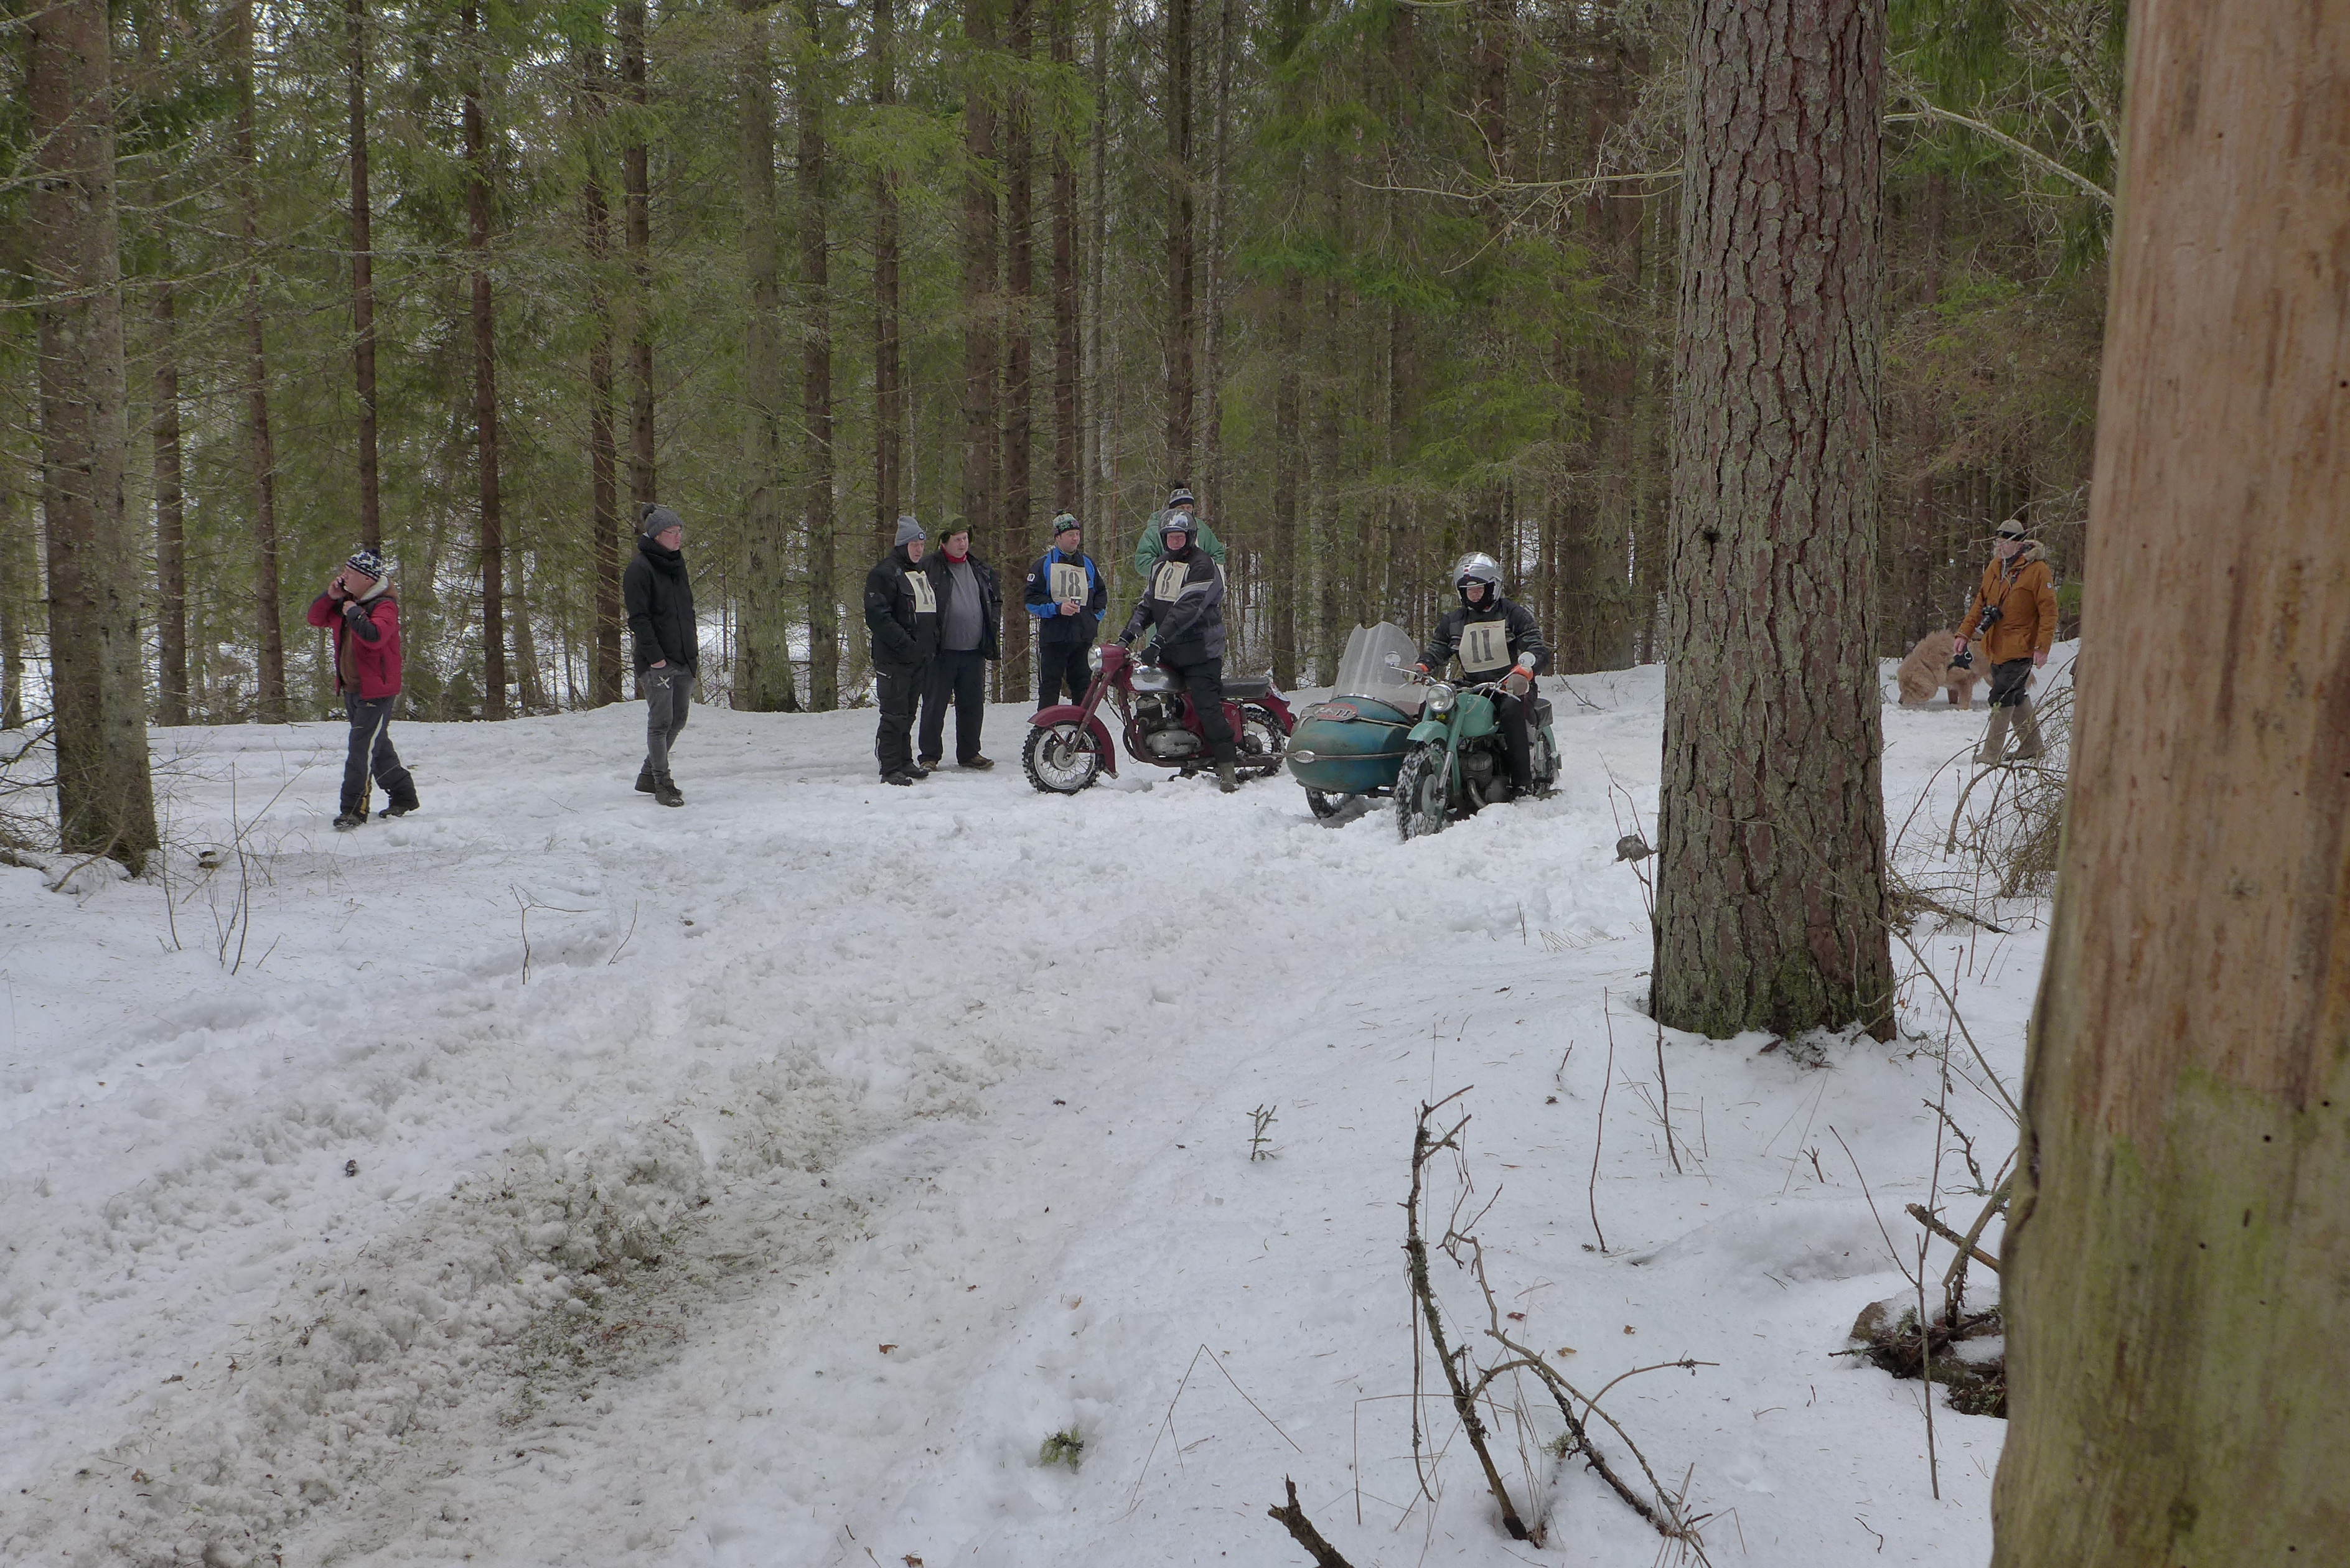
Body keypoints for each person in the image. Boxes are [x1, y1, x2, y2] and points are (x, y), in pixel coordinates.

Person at [1117, 511, 1242, 793]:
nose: (1175, 541)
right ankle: (1189, 761)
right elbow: (1148, 604)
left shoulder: (1203, 565)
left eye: (1180, 536)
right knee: (1177, 709)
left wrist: (1158, 640)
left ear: (1190, 537)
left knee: (1207, 708)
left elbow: (1188, 608)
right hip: (1172, 651)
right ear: (1164, 539)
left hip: (1201, 651)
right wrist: (1127, 636)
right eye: (1170, 537)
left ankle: (1227, 768)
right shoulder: (1161, 564)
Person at [1416, 553, 1552, 798]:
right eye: (1469, 590)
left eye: (1479, 589)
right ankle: (1423, 771)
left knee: (1511, 710)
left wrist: (1525, 670)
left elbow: (1536, 646)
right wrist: (1423, 666)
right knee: (1429, 708)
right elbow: (1438, 648)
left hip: (1510, 684)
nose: (1474, 594)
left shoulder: (1513, 614)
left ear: (1493, 587)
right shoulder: (1453, 621)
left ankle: (1522, 782)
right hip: (1470, 685)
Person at [307, 547, 419, 831]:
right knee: (376, 746)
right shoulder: (346, 602)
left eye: (350, 573)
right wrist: (330, 596)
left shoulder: (384, 606)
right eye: (345, 571)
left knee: (360, 749)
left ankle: (353, 810)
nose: (344, 576)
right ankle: (403, 796)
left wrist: (355, 614)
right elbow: (316, 619)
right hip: (352, 688)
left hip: (377, 691)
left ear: (367, 579)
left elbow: (375, 636)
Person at [1954, 516, 2059, 765]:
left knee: (2001, 695)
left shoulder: (2038, 570)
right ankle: (2032, 747)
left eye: (2004, 542)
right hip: (1996, 645)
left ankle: (1991, 753)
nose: (1999, 547)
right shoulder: (1994, 567)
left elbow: (2049, 612)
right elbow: (1980, 603)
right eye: (1997, 542)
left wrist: (2042, 647)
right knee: (2016, 693)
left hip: (2022, 646)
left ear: (2018, 543)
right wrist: (1964, 633)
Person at [622, 503, 697, 807]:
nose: (678, 537)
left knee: (678, 720)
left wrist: (691, 654)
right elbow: (639, 619)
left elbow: (686, 612)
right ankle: (662, 782)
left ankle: (647, 774)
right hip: (657, 662)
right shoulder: (639, 569)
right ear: (655, 535)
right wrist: (656, 659)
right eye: (671, 532)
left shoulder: (677, 564)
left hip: (684, 658)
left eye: (680, 531)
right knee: (660, 723)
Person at [918, 525, 1003, 771]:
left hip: (974, 651)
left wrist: (992, 623)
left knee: (972, 706)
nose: (963, 544)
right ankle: (929, 755)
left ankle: (970, 753)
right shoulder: (928, 567)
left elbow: (995, 600)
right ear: (944, 542)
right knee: (934, 706)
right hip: (941, 651)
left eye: (965, 539)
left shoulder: (980, 569)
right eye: (957, 540)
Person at [864, 515, 940, 786]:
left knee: (908, 713)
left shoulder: (918, 573)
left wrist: (928, 645)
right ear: (902, 545)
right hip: (894, 658)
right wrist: (907, 645)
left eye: (921, 544)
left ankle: (905, 760)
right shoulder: (884, 574)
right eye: (913, 544)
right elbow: (878, 618)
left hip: (917, 658)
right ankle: (889, 766)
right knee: (893, 714)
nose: (919, 549)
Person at [1024, 512, 1109, 708]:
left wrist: (1094, 618)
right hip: (1055, 637)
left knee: (1083, 687)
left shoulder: (1088, 563)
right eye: (1070, 534)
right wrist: (1057, 609)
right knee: (1050, 687)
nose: (1075, 539)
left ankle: (1083, 726)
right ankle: (1046, 726)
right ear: (1058, 537)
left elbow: (1101, 593)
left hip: (1082, 637)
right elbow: (1031, 600)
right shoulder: (1043, 564)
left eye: (1077, 534)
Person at [1130, 483, 1227, 581]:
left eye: (1189, 507)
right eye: (1181, 508)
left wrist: (1207, 571)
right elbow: (1142, 563)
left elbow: (1218, 553)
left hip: (1197, 582)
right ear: (1172, 509)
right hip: (1166, 583)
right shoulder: (1154, 531)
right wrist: (1169, 568)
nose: (1185, 511)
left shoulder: (1200, 528)